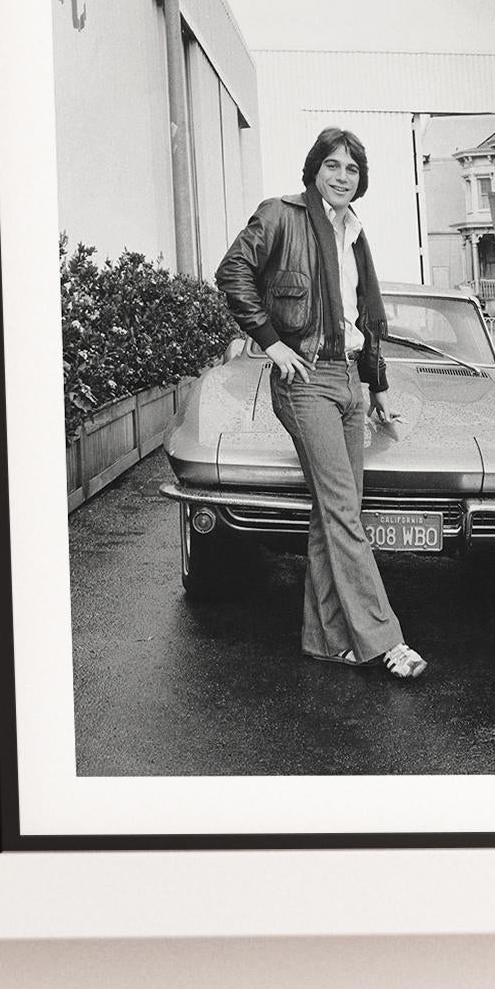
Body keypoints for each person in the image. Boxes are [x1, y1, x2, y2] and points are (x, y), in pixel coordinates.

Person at [212, 129, 427, 678]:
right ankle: (385, 640)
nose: (341, 176)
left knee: (332, 515)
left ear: (361, 179)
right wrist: (271, 342)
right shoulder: (281, 215)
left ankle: (325, 640)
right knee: (342, 511)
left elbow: (363, 321)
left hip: (348, 383)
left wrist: (377, 390)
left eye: (352, 169)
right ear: (314, 169)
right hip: (305, 379)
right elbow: (232, 272)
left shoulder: (354, 232)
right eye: (332, 165)